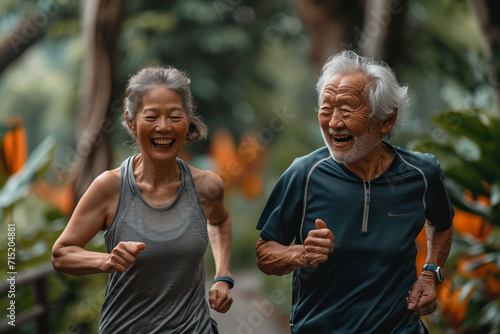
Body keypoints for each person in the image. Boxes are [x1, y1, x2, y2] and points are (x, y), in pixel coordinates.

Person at [255, 50, 454, 333]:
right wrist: (300, 255)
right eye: (326, 110)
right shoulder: (304, 174)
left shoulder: (422, 173)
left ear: (386, 120)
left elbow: (442, 224)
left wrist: (430, 275)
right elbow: (265, 254)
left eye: (347, 111)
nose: (334, 123)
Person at [52, 67, 233, 333]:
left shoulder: (207, 186)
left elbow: (220, 221)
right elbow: (61, 254)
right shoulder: (109, 187)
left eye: (174, 116)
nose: (164, 127)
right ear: (132, 121)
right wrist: (107, 261)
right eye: (151, 116)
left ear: (187, 120)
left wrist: (223, 277)